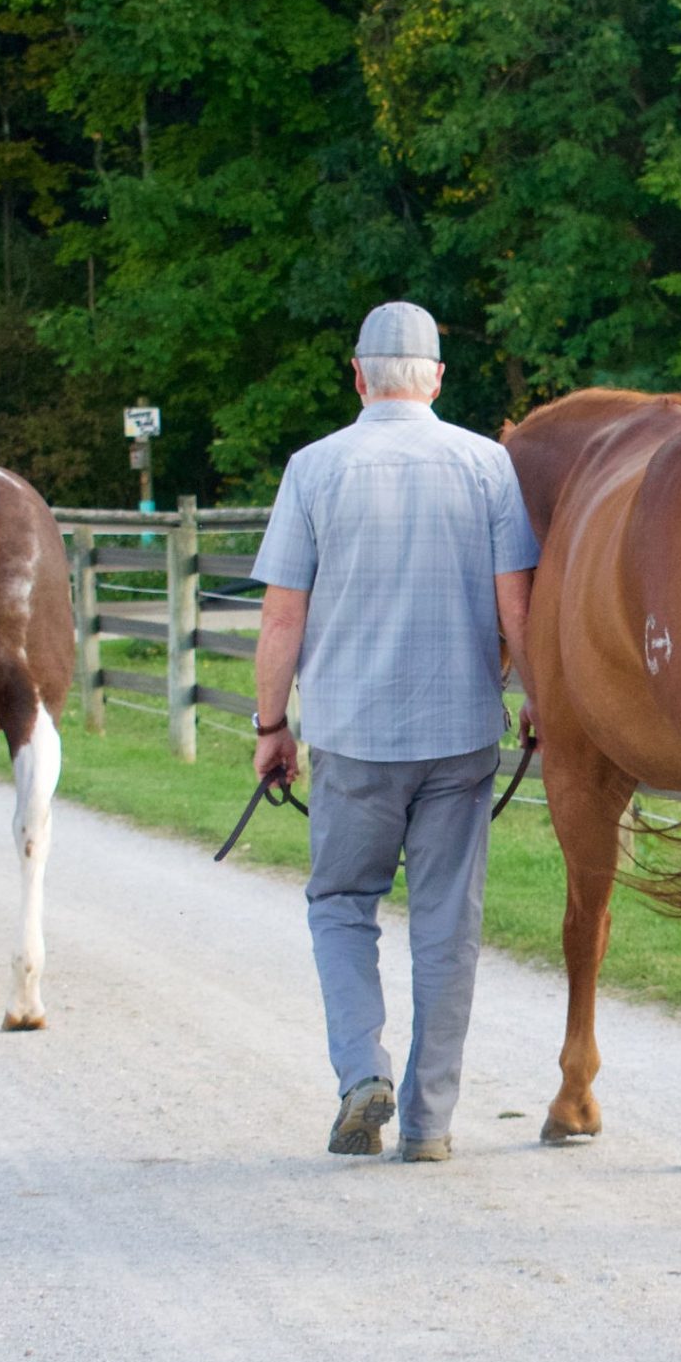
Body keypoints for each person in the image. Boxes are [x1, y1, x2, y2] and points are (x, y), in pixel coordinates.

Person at [251, 301, 540, 1163]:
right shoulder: (488, 466)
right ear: (438, 378)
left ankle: (359, 1074)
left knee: (342, 905)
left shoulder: (314, 468)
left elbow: (280, 617)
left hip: (350, 735)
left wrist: (272, 726)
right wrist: (539, 697)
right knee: (448, 925)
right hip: (459, 735)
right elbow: (514, 608)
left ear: (358, 375)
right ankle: (429, 1123)